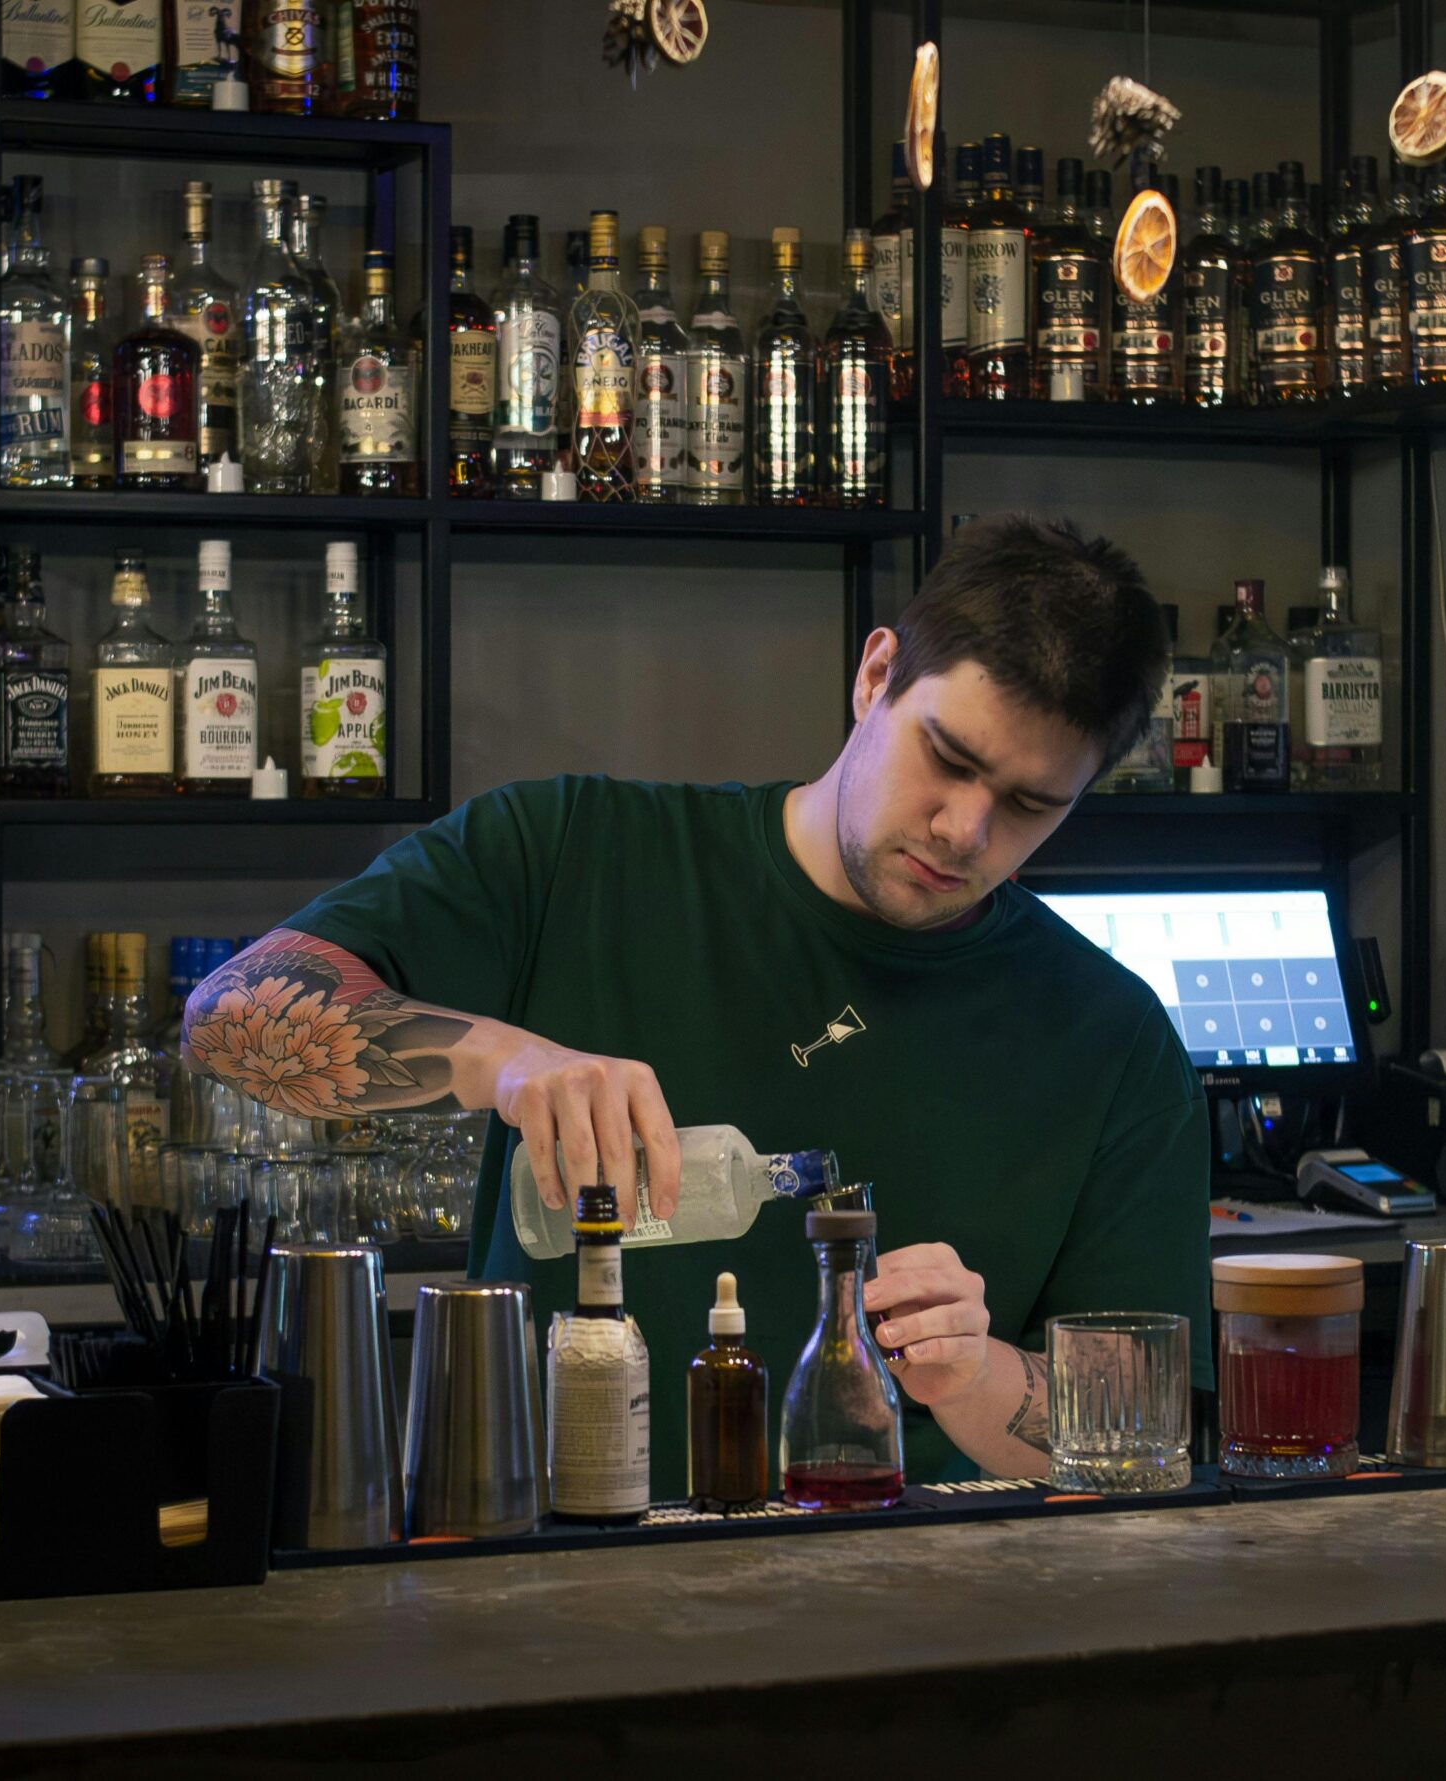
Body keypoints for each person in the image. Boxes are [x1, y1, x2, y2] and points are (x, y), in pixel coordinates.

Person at [182, 516, 1211, 1490]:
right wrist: (498, 1060)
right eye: (946, 756)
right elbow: (227, 1016)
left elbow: (1154, 1438)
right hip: (550, 1588)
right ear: (875, 674)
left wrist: (978, 1375)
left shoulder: (1110, 1037)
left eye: (1031, 804)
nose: (963, 828)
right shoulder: (572, 850)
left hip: (916, 1621)